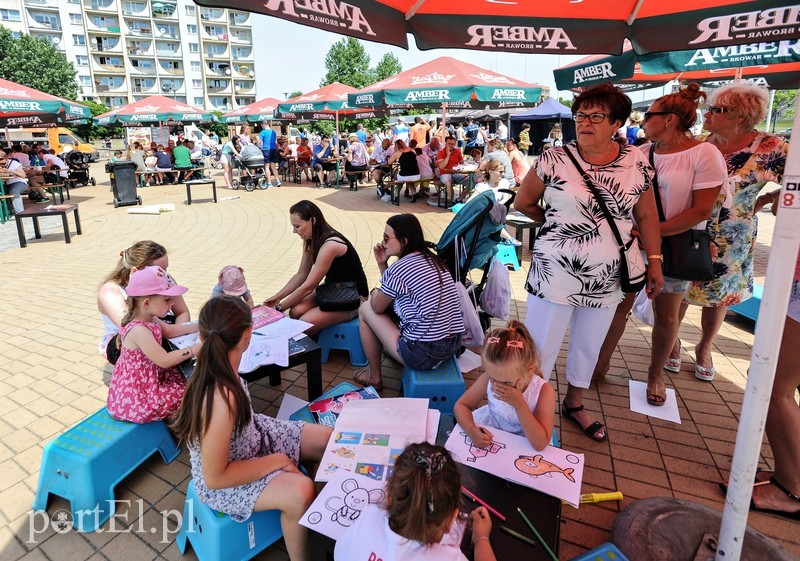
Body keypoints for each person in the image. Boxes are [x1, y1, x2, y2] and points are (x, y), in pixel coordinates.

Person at [514, 83, 664, 441]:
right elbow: (524, 203)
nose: (584, 122)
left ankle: (575, 402)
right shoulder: (553, 158)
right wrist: (559, 225)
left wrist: (655, 261)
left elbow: (647, 217)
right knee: (541, 343)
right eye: (580, 115)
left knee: (589, 342)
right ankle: (535, 407)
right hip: (555, 271)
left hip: (610, 274)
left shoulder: (636, 162)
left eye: (596, 116)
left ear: (617, 123)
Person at [594, 84, 728, 405]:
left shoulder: (704, 153)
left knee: (667, 315)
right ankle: (600, 365)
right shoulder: (643, 151)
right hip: (633, 246)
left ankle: (655, 375)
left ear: (669, 119)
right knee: (618, 306)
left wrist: (652, 233)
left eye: (648, 116)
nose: (643, 121)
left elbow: (701, 210)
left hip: (675, 245)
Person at [171, 296, 332, 561]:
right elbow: (216, 477)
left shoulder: (216, 355)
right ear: (247, 338)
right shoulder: (220, 399)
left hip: (253, 435)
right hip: (224, 481)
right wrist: (277, 461)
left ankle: (317, 517)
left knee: (327, 440)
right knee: (300, 490)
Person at [669, 83, 788, 381]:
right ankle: (671, 343)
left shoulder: (771, 147)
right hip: (689, 227)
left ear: (740, 116)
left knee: (719, 297)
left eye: (716, 109)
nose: (706, 113)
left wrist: (766, 198)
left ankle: (704, 347)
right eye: (708, 107)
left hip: (732, 237)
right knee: (678, 290)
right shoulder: (698, 143)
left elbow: (795, 180)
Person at [354, 214, 464, 392]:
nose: (383, 243)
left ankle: (374, 377)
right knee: (385, 305)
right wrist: (383, 264)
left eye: (387, 238)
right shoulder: (434, 260)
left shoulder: (401, 267)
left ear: (404, 241)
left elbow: (377, 307)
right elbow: (395, 292)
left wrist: (374, 294)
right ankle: (389, 350)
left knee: (365, 309)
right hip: (451, 345)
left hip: (423, 353)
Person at [334, 443, 497, 561]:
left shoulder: (368, 518)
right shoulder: (450, 558)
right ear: (450, 521)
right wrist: (481, 539)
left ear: (389, 495)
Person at [106, 266, 200, 423]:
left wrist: (198, 326)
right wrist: (193, 349)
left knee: (191, 380)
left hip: (149, 380)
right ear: (147, 302)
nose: (172, 303)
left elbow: (169, 331)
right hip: (138, 397)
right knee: (192, 390)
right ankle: (182, 429)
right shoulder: (139, 330)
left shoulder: (149, 317)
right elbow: (164, 360)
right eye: (167, 299)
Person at [264, 201, 368, 334]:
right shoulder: (311, 240)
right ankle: (318, 341)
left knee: (303, 324)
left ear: (312, 220)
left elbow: (308, 287)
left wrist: (279, 308)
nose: (294, 231)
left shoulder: (330, 245)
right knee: (295, 312)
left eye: (297, 226)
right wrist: (277, 297)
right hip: (332, 290)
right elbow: (301, 275)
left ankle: (356, 311)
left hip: (353, 296)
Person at [454, 322, 555, 451]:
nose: (496, 385)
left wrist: (519, 405)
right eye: (492, 378)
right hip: (493, 434)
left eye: (506, 383)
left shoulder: (543, 391)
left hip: (525, 444)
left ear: (529, 370)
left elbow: (540, 444)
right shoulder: (490, 377)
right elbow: (461, 406)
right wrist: (471, 430)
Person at [97, 241, 197, 364]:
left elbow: (182, 312)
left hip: (159, 330)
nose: (166, 274)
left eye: (166, 268)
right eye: (160, 269)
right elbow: (163, 331)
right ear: (136, 272)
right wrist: (192, 331)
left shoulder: (163, 278)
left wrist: (181, 338)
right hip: (124, 342)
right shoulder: (110, 292)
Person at [435, 136, 466, 207]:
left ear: (455, 144)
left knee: (472, 181)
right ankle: (452, 202)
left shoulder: (457, 151)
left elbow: (461, 163)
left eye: (452, 144)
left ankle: (459, 198)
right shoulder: (441, 152)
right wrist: (448, 155)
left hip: (456, 173)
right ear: (445, 144)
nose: (450, 145)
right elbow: (442, 166)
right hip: (445, 173)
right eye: (449, 143)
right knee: (448, 182)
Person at [259, 120, 281, 188]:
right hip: (273, 149)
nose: (262, 127)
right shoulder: (273, 132)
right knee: (273, 166)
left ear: (263, 125)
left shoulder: (263, 132)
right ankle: (278, 181)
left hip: (266, 149)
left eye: (262, 125)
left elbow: (259, 142)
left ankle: (269, 183)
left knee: (267, 166)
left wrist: (258, 139)